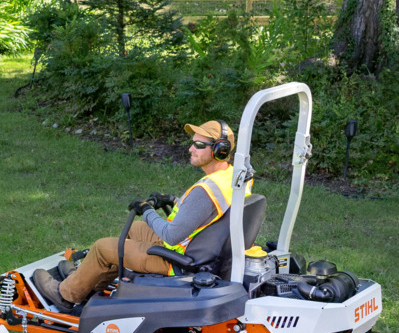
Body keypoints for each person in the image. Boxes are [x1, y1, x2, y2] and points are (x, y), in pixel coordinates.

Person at [37, 119, 244, 309]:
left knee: (101, 248)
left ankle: (66, 295)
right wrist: (172, 200)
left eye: (199, 145)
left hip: (177, 261)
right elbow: (201, 213)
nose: (190, 149)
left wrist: (146, 210)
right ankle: (88, 284)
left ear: (220, 150)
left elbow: (172, 235)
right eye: (192, 143)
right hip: (199, 249)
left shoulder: (205, 191)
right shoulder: (230, 178)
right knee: (135, 230)